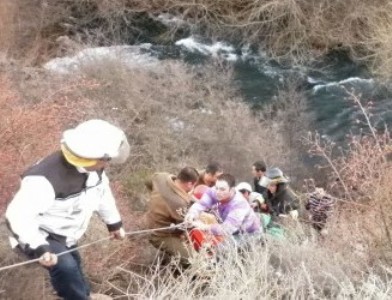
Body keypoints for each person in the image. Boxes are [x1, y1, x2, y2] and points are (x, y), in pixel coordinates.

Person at [5, 119, 130, 300]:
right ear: (94, 157)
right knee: (66, 267)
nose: (107, 164)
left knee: (75, 264)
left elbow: (102, 194)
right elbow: (18, 215)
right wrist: (39, 246)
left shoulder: (94, 171)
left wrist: (113, 223)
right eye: (106, 160)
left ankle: (84, 294)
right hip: (41, 232)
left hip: (66, 234)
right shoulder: (45, 179)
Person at [145, 167, 199, 265]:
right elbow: (185, 226)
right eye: (194, 185)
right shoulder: (179, 203)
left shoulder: (161, 177)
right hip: (160, 235)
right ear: (190, 184)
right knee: (193, 259)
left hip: (150, 220)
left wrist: (155, 200)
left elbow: (148, 181)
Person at [186, 174, 261, 241]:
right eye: (217, 188)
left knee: (221, 248)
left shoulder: (239, 204)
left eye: (222, 189)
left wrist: (204, 227)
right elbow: (201, 204)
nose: (218, 192)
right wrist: (192, 214)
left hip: (249, 233)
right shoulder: (215, 191)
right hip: (231, 227)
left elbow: (227, 230)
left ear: (232, 190)